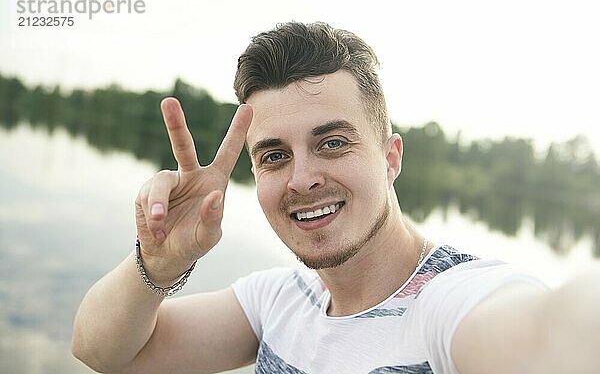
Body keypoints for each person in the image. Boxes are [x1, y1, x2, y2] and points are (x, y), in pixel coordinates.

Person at [72, 22, 600, 374]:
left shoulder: (450, 303)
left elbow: (551, 337)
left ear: (391, 157)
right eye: (274, 155)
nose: (302, 179)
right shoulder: (276, 301)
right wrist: (159, 264)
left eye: (332, 142)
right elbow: (104, 351)